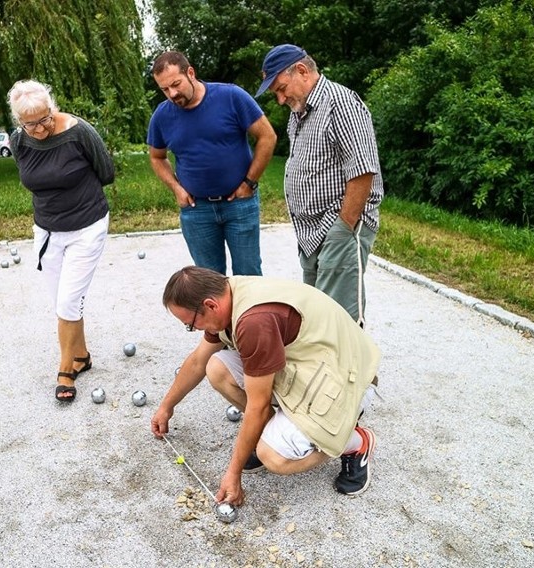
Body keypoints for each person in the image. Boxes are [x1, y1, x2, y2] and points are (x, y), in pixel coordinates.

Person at [151, 266, 381, 508]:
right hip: (311, 366)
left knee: (273, 457)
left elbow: (257, 406)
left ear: (210, 305)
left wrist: (233, 474)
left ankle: (355, 442)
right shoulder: (228, 294)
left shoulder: (253, 321)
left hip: (348, 381)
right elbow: (199, 360)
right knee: (217, 368)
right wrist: (166, 407)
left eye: (191, 324)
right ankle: (281, 429)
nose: (194, 329)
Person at [255, 44, 384, 326]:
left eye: (281, 88)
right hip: (312, 234)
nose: (279, 99)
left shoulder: (340, 103)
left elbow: (363, 170)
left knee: (338, 319)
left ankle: (356, 371)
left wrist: (343, 227)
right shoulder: (300, 111)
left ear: (301, 70)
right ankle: (333, 370)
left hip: (339, 225)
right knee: (316, 316)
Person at [7, 79, 115, 403]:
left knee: (69, 300)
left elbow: (106, 171)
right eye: (31, 124)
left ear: (52, 107)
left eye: (45, 118)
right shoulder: (18, 141)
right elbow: (30, 177)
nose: (40, 128)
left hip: (87, 225)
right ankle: (81, 355)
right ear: (19, 123)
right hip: (48, 230)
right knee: (61, 301)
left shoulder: (79, 131)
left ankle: (66, 369)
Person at [148, 51, 277, 276]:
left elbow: (268, 137)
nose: (172, 93)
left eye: (176, 84)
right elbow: (156, 157)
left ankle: (250, 313)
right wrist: (176, 188)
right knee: (209, 281)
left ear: (190, 73)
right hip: (197, 211)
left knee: (249, 276)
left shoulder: (231, 96)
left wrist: (249, 182)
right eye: (165, 89)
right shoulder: (162, 116)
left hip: (240, 204)